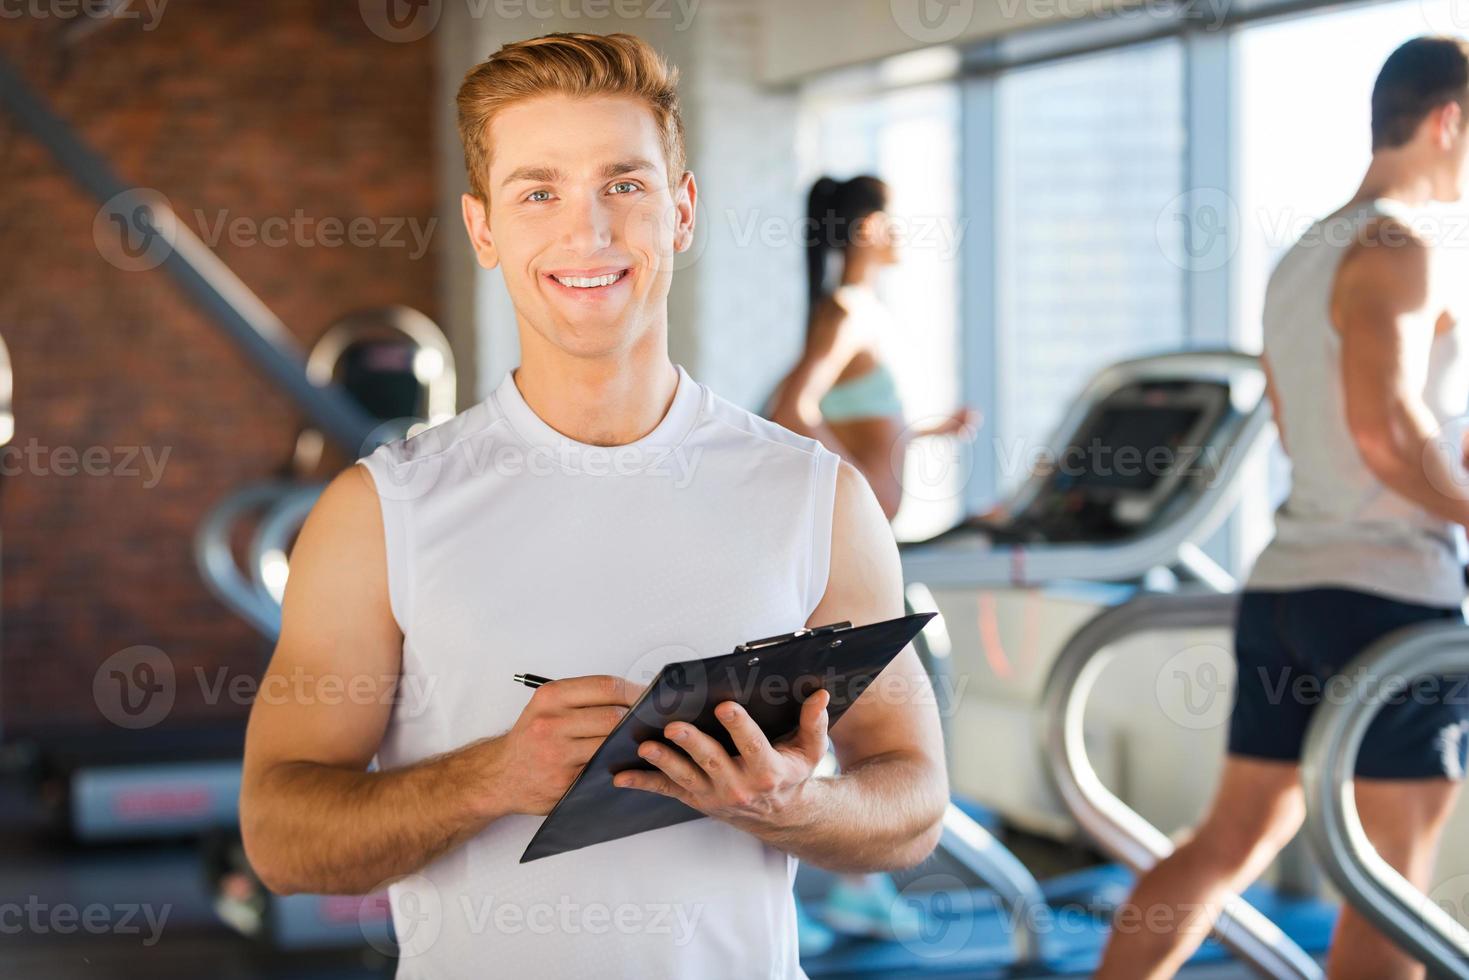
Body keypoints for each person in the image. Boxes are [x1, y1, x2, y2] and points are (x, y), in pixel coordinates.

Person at [236, 32, 948, 980]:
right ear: (484, 228)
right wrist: (489, 778)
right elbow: (282, 839)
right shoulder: (381, 511)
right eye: (539, 192)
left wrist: (789, 805)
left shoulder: (817, 497)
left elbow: (913, 800)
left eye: (625, 184)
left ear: (681, 210)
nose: (589, 232)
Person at [1097, 36, 1469, 980]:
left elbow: (1318, 438)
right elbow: (1383, 437)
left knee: (1224, 843)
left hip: (1288, 596)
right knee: (1390, 891)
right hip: (1384, 600)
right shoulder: (1400, 242)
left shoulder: (1303, 254)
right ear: (1447, 122)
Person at [769, 175, 978, 522]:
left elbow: (860, 424)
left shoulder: (868, 311)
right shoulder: (844, 315)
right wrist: (859, 489)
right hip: (852, 531)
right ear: (870, 227)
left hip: (869, 530)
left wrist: (930, 431)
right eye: (896, 219)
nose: (904, 231)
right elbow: (790, 411)